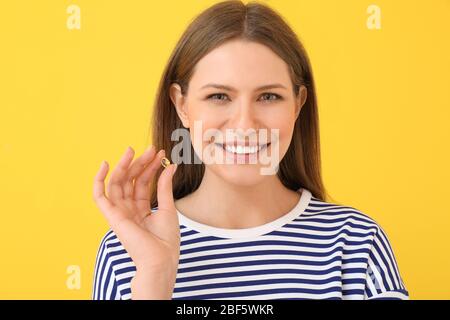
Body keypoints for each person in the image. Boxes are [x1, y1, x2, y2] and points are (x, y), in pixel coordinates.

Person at [92, 0, 409, 300]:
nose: (245, 125)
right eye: (219, 96)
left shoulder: (357, 243)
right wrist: (155, 277)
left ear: (297, 105)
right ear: (182, 105)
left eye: (269, 97)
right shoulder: (127, 249)